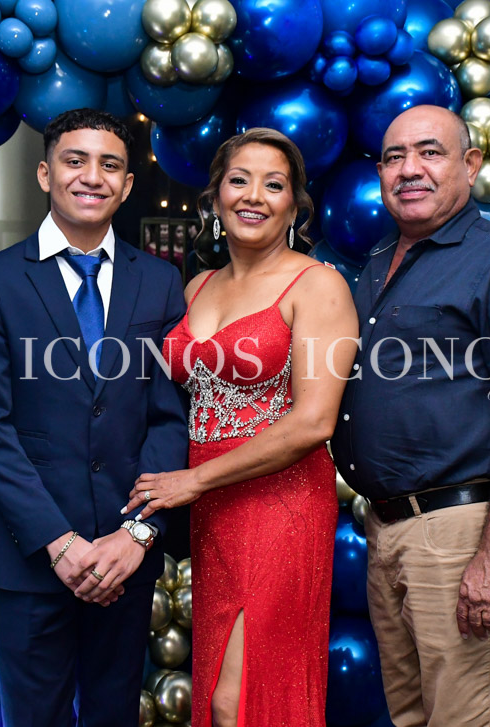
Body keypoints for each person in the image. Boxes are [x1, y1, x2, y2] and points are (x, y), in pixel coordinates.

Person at [331, 105, 490, 727]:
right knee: (411, 715)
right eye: (394, 157)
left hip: (460, 531)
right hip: (387, 526)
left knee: (469, 717)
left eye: (430, 152)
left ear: (472, 164)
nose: (410, 169)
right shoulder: (380, 260)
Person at [122, 127, 359, 727]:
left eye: (273, 185)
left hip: (281, 502)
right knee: (215, 691)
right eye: (239, 180)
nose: (253, 195)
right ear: (215, 198)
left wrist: (192, 481)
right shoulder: (196, 285)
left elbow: (314, 422)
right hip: (211, 510)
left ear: (294, 207)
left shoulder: (319, 284)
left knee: (241, 700)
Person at [0, 108, 188, 726]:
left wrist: (137, 534)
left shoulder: (160, 281)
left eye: (110, 165)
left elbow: (170, 418)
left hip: (125, 557)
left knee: (114, 715)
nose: (92, 176)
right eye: (75, 160)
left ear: (128, 184)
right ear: (45, 174)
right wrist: (58, 543)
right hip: (33, 557)